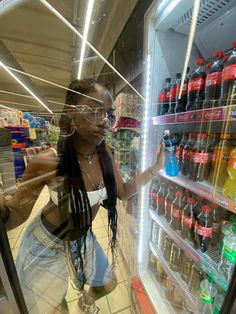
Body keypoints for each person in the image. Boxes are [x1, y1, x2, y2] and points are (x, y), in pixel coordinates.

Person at [0, 79, 164, 314]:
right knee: (52, 308)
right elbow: (16, 212)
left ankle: (86, 301)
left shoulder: (105, 154)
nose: (104, 121)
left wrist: (156, 168)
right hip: (47, 242)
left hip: (82, 238)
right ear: (71, 113)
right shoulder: (49, 161)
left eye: (108, 114)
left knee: (108, 283)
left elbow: (124, 191)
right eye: (95, 110)